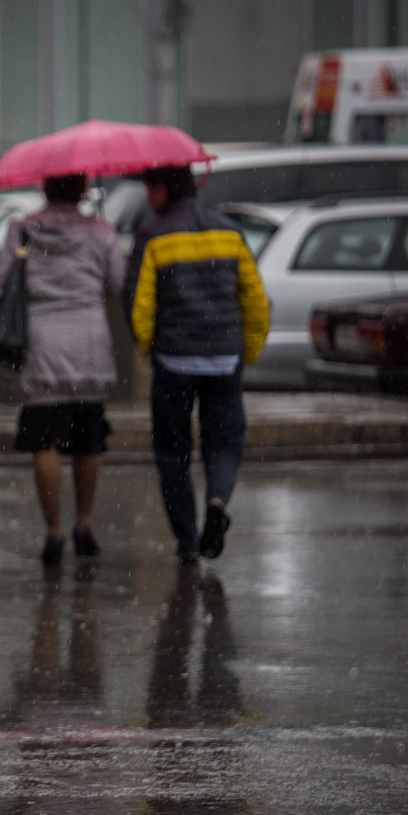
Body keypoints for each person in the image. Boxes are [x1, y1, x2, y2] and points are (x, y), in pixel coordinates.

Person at [122, 166, 270, 562]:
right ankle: (218, 502)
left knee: (173, 453)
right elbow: (256, 301)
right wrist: (247, 350)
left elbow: (139, 308)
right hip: (224, 359)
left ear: (161, 189)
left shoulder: (153, 237)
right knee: (224, 444)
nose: (147, 196)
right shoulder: (230, 233)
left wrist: (150, 347)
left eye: (148, 187)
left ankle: (187, 541)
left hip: (174, 360)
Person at [0, 173, 126, 566]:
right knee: (88, 438)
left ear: (44, 187)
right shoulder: (99, 232)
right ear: (81, 190)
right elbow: (120, 284)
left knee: (43, 439)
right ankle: (84, 523)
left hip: (40, 348)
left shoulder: (22, 230)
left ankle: (53, 531)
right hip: (88, 347)